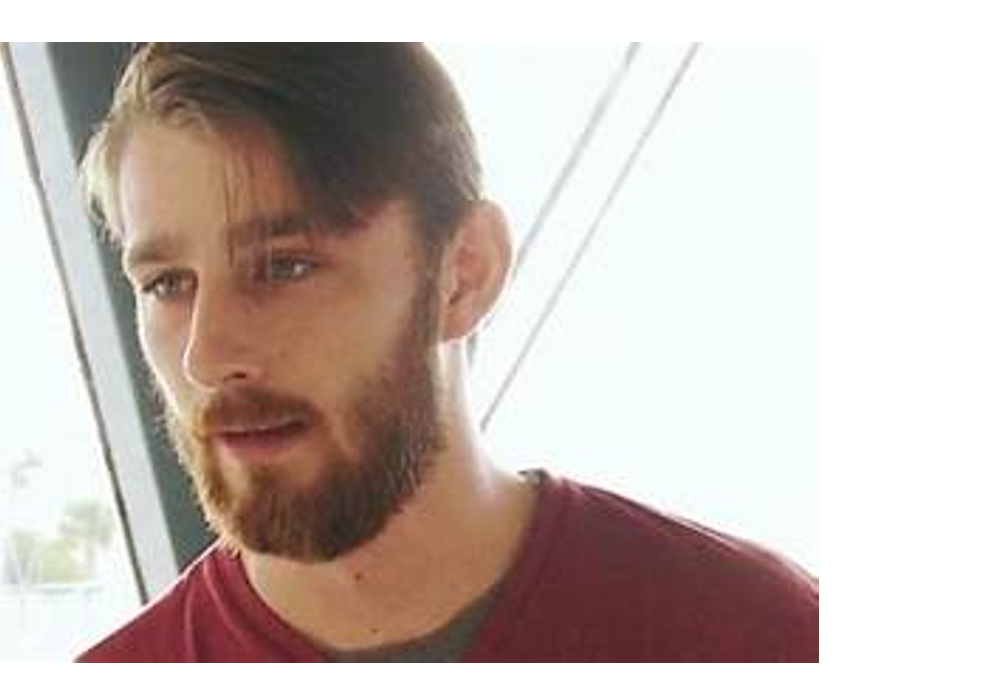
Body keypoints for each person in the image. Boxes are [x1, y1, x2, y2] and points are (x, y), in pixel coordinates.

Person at [74, 42, 818, 662]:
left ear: (465, 272)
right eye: (168, 284)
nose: (208, 355)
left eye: (284, 265)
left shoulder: (752, 634)